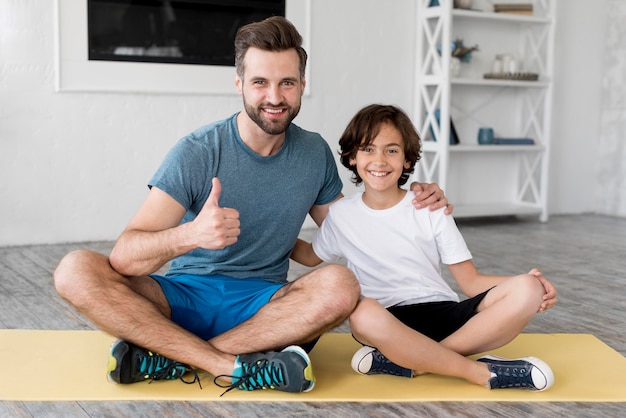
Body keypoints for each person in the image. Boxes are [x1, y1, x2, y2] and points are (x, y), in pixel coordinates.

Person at [53, 17, 450, 395]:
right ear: (239, 82)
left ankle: (172, 355)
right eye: (260, 82)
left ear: (302, 85)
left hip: (263, 310)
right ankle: (231, 365)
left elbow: (359, 228)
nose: (275, 97)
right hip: (179, 298)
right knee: (75, 270)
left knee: (340, 284)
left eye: (287, 83)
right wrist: (191, 234)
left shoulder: (313, 153)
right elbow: (124, 257)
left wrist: (413, 198)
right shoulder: (197, 151)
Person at [291, 104, 558, 391]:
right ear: (353, 157)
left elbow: (471, 282)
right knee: (360, 313)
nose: (379, 160)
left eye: (391, 150)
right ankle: (477, 372)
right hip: (385, 321)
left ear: (407, 160)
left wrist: (534, 286)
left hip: (442, 313)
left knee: (528, 288)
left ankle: (416, 362)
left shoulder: (429, 206)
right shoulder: (342, 214)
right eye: (368, 149)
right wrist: (268, 229)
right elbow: (308, 255)